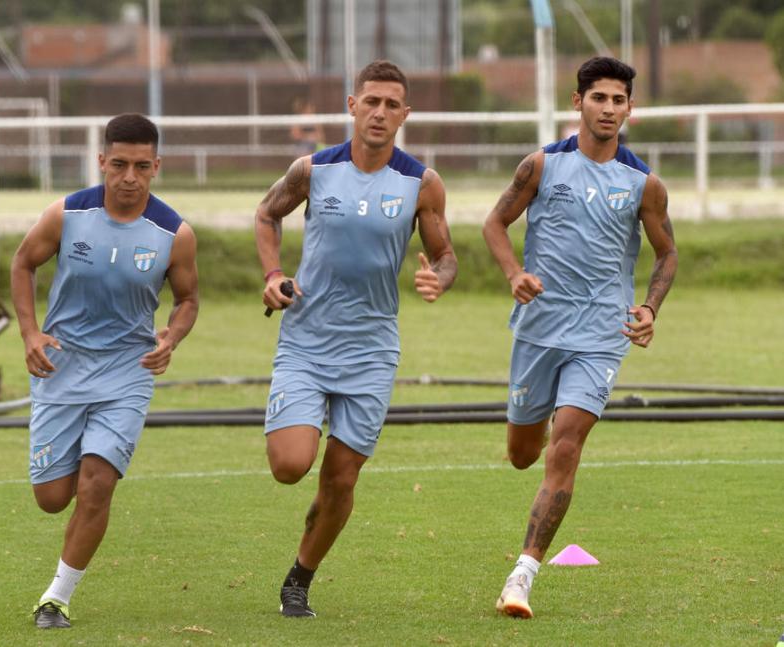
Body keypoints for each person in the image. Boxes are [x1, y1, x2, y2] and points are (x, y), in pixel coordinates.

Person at [255, 59, 458, 618]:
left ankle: (300, 578)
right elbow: (266, 215)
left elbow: (445, 257)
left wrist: (435, 279)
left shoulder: (421, 183)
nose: (380, 112)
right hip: (307, 339)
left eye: (392, 104)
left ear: (405, 114)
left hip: (372, 349)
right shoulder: (313, 170)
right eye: (371, 101)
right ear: (352, 105)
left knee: (340, 477)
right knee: (290, 465)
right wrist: (273, 276)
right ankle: (294, 418)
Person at [482, 56, 678, 619]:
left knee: (565, 444)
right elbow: (495, 224)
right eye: (599, 98)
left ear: (630, 109)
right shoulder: (541, 166)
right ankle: (538, 416)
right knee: (523, 454)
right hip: (539, 332)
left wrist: (648, 307)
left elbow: (667, 254)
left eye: (619, 100)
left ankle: (522, 575)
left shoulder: (644, 184)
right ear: (578, 102)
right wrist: (514, 274)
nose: (609, 109)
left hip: (600, 336)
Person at [10, 113, 199, 629]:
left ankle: (56, 597)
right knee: (52, 499)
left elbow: (186, 300)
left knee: (97, 483)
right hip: (62, 366)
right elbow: (23, 263)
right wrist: (30, 333)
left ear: (157, 166)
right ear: (102, 162)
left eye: (141, 166)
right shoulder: (67, 215)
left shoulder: (174, 233)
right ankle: (61, 480)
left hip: (127, 372)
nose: (129, 177)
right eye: (119, 164)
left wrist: (171, 337)